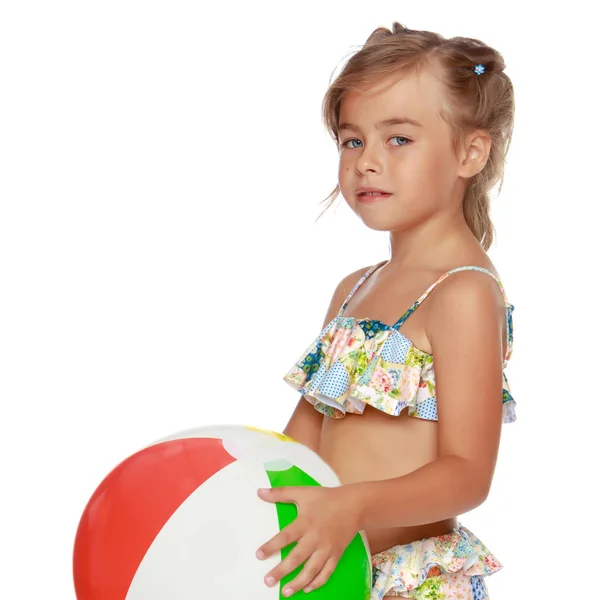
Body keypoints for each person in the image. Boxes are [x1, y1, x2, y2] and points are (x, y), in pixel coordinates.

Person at [255, 21, 516, 600]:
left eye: (398, 139)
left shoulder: (463, 293)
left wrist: (352, 505)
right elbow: (297, 447)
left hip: (409, 584)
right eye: (353, 140)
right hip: (331, 578)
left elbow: (467, 475)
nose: (367, 161)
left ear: (470, 152)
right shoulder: (354, 289)